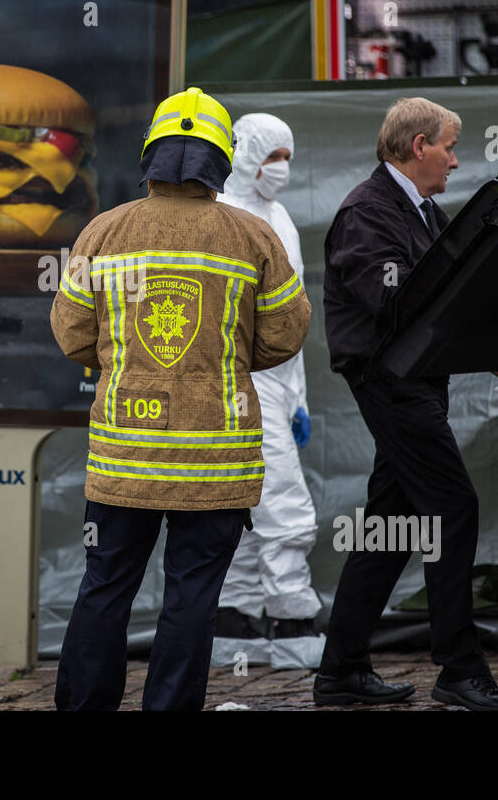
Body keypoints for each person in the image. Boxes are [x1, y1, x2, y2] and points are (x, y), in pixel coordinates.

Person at [51, 87, 312, 711]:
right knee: (192, 597)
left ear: (151, 156)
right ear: (223, 163)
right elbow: (286, 334)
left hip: (124, 460)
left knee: (104, 588)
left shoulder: (102, 232)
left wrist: (118, 360)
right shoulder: (252, 237)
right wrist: (224, 358)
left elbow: (70, 333)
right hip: (216, 461)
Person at [316, 97, 498, 711]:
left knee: (390, 526)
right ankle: (460, 670)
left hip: (414, 381)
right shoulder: (368, 212)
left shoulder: (423, 212)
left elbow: (443, 302)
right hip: (392, 384)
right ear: (418, 148)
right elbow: (396, 302)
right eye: (449, 146)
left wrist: (497, 353)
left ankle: (340, 672)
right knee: (452, 506)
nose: (456, 161)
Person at [213, 113, 324, 670]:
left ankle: (237, 617)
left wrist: (298, 398)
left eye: (287, 156)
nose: (280, 168)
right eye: (271, 156)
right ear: (245, 155)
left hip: (277, 382)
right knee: (279, 503)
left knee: (250, 498)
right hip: (235, 381)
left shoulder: (280, 218)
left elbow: (292, 317)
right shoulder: (221, 216)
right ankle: (290, 616)